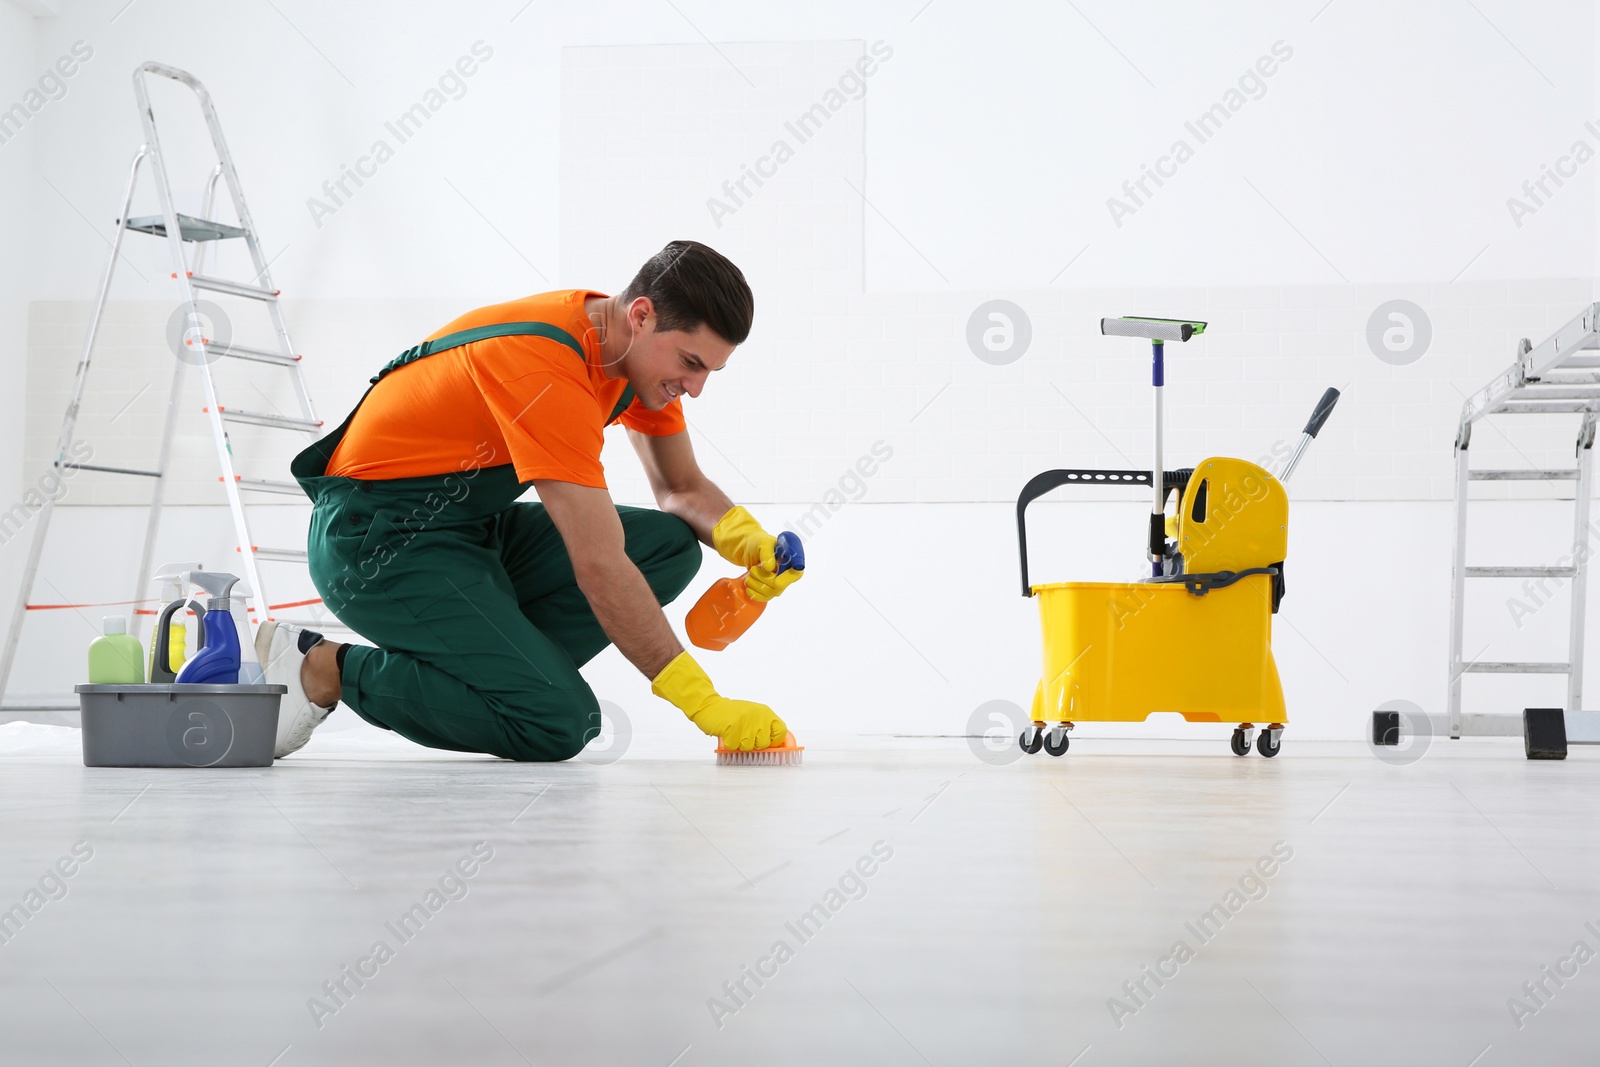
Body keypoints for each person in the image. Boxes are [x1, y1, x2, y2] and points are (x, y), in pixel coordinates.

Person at [256, 240, 803, 760]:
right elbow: (599, 562)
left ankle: (510, 676)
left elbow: (680, 488)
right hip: (378, 543)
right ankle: (322, 668)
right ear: (642, 315)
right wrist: (703, 704)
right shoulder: (546, 366)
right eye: (691, 362)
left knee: (667, 548)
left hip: (471, 530)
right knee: (557, 722)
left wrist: (748, 541)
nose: (697, 386)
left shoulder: (629, 358)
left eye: (710, 369)